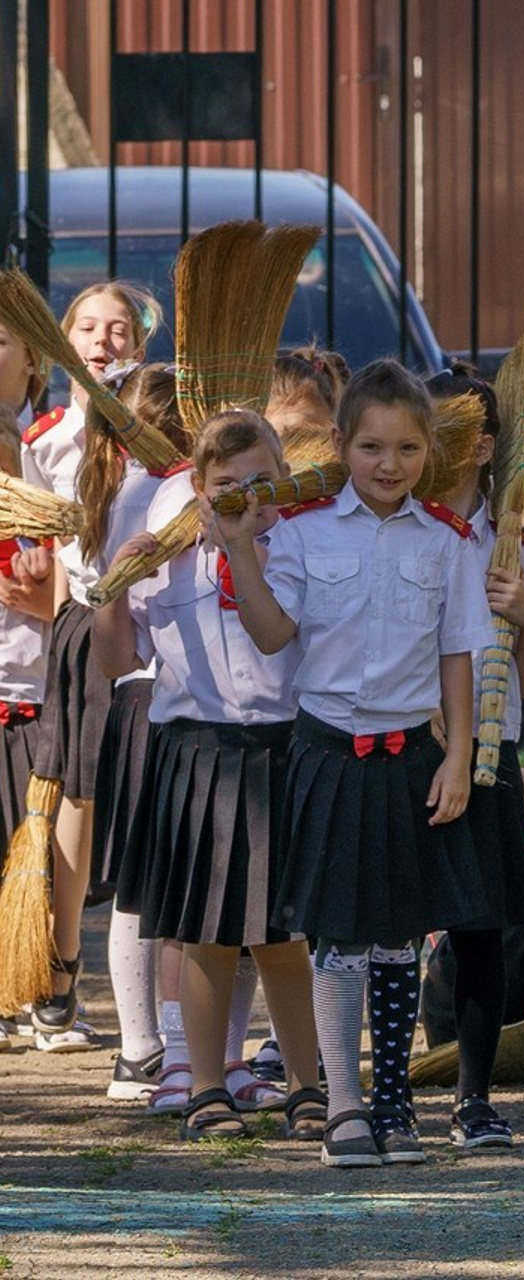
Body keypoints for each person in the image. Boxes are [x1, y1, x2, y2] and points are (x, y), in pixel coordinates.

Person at [224, 359, 493, 1169]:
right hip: (331, 753)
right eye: (372, 447)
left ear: (428, 452)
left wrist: (459, 757)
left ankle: (394, 1104)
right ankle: (343, 1105)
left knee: (400, 937)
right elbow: (273, 634)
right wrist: (242, 550)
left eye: (407, 450)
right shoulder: (304, 532)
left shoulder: (446, 542)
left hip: (411, 758)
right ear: (342, 445)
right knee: (337, 937)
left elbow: (457, 654)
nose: (388, 465)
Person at [93, 410, 324, 1143]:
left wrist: (241, 545)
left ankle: (307, 1083)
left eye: (261, 482)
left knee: (284, 936)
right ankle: (205, 1084)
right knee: (204, 935)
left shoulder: (293, 544)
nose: (245, 496)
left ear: (281, 481)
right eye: (226, 485)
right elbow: (116, 661)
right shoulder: (167, 548)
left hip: (279, 750)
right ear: (198, 485)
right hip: (194, 749)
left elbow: (272, 631)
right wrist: (112, 582)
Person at [407, 361, 524, 1147]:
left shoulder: (513, 541)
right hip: (408, 745)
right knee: (390, 925)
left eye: (455, 432)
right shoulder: (403, 528)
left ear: (486, 442)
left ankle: (472, 1098)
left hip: (490, 755)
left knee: (479, 928)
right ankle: (385, 1089)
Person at [22, 281, 157, 1051]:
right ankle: (63, 966)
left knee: (146, 804)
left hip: (152, 627)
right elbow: (51, 569)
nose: (105, 339)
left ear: (139, 347)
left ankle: (153, 1007)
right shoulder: (48, 440)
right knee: (79, 803)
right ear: (64, 338)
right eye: (89, 325)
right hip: (83, 628)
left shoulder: (157, 429)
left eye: (120, 329)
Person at [78, 363, 192, 1102]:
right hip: (168, 699)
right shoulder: (158, 496)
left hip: (137, 700)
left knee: (138, 885)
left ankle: (139, 1046)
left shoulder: (119, 491)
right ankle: (157, 1045)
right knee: (164, 888)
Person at [0, 404, 55, 1055]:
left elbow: (64, 617)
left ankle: (35, 990)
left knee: (33, 861)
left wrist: (44, 598)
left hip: (35, 711)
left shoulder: (45, 545)